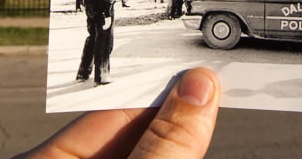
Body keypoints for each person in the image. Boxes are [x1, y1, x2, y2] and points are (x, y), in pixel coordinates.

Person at [13, 67, 221, 159]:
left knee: (95, 38)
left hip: (95, 2)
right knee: (102, 41)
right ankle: (100, 76)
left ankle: (88, 73)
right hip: (101, 2)